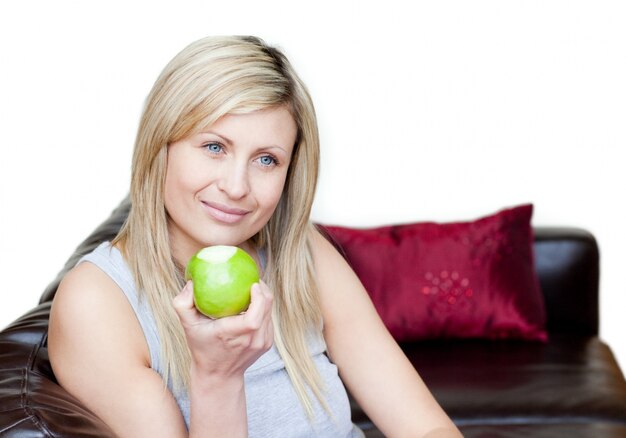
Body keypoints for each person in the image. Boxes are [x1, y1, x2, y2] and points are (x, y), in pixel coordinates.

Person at [48, 36, 462, 438]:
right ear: (161, 145)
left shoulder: (302, 254)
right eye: (214, 147)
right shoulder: (99, 302)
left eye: (266, 159)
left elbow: (426, 427)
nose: (236, 186)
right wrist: (218, 376)